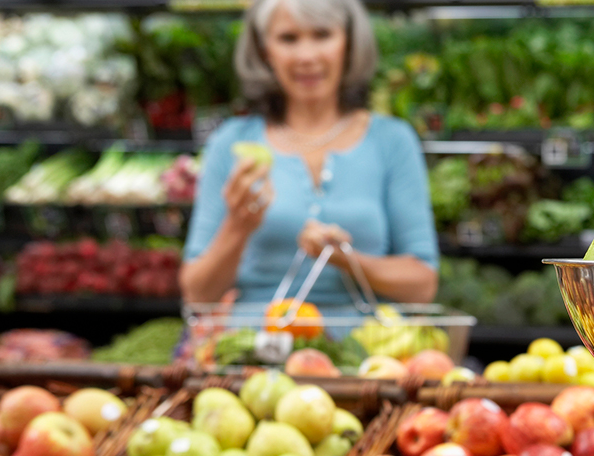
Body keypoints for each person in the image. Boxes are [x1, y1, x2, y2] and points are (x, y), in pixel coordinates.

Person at [180, 0, 438, 307]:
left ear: (349, 43)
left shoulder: (393, 141)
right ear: (265, 51)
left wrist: (345, 260)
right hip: (258, 344)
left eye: (322, 35)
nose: (306, 56)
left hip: (366, 349)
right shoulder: (231, 143)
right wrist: (237, 226)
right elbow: (197, 295)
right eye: (288, 38)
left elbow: (423, 285)